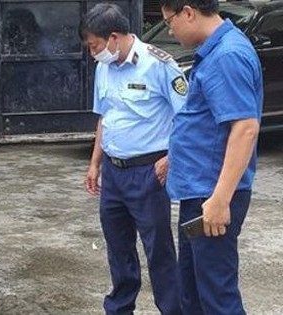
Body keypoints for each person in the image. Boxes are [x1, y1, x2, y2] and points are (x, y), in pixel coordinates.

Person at [80, 3, 187, 314]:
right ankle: (120, 307)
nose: (93, 54)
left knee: (158, 250)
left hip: (148, 173)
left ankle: (172, 309)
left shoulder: (159, 65)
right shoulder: (104, 67)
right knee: (118, 246)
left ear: (114, 37)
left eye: (95, 46)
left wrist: (171, 157)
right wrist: (95, 163)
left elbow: (188, 117)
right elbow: (105, 118)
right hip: (113, 172)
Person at [159, 1, 263, 314]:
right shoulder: (215, 50)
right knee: (192, 294)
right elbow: (207, 123)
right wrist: (173, 157)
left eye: (169, 21)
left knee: (217, 298)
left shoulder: (226, 56)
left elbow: (244, 128)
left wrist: (220, 200)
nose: (170, 30)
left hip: (211, 196)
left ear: (188, 12)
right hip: (198, 192)